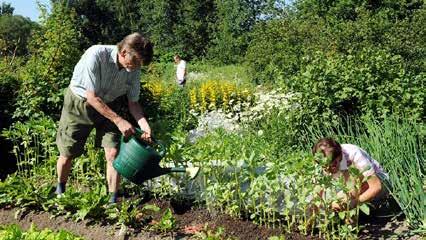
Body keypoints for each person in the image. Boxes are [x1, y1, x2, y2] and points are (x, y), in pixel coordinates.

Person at [55, 32, 153, 203]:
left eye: (140, 64)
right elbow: (92, 98)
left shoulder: (133, 69)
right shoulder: (96, 55)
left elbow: (134, 104)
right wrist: (119, 120)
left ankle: (112, 200)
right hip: (79, 104)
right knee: (68, 153)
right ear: (123, 53)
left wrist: (144, 125)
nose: (137, 67)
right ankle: (60, 190)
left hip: (109, 104)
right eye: (136, 61)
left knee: (113, 152)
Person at [312, 137, 390, 211]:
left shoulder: (354, 153)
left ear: (339, 156)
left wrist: (352, 204)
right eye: (325, 167)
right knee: (321, 199)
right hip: (347, 187)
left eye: (332, 165)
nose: (328, 170)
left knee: (345, 195)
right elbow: (317, 194)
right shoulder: (320, 161)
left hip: (379, 183)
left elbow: (376, 186)